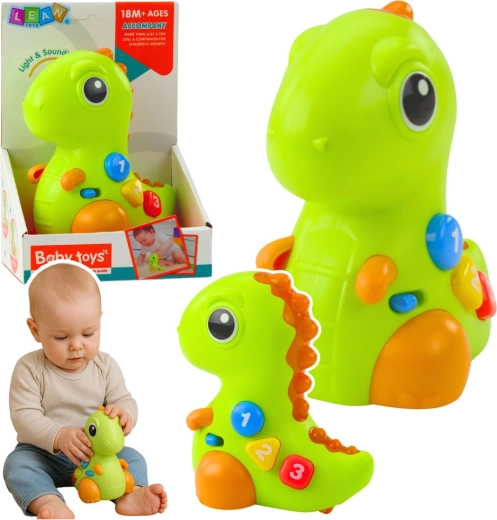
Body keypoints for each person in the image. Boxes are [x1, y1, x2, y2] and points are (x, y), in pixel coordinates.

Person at [3, 262, 167, 519]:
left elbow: (124, 399)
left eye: (88, 333)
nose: (76, 346)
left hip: (100, 457)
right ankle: (49, 501)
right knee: (16, 466)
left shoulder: (105, 365)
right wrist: (59, 435)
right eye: (61, 337)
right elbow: (24, 416)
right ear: (35, 330)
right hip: (44, 455)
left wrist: (124, 414)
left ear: (99, 321)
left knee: (134, 458)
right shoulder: (30, 368)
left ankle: (129, 494)